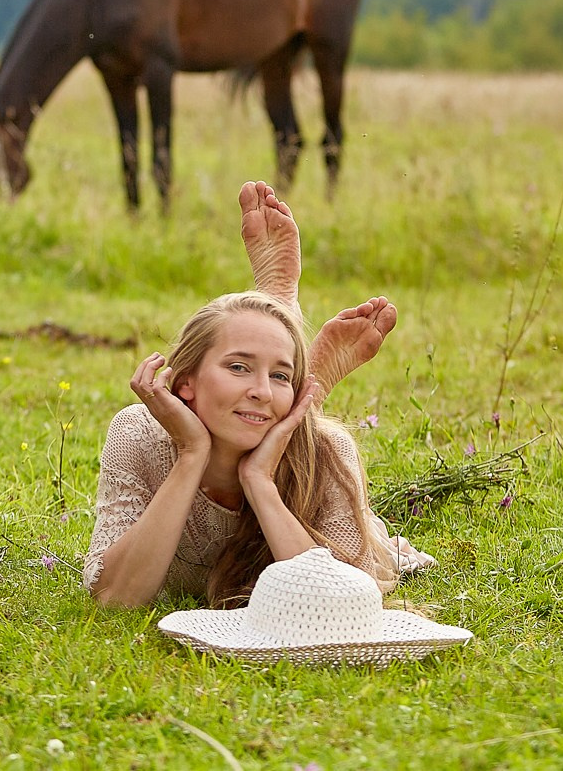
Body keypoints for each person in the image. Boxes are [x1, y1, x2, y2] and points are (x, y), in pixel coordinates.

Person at [84, 182, 410, 608]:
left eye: (280, 376)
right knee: (271, 389)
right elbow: (115, 597)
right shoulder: (138, 434)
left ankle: (305, 392)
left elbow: (344, 603)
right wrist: (191, 454)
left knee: (306, 433)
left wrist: (259, 481)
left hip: (306, 469)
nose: (260, 391)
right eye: (238, 367)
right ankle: (297, 364)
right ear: (185, 381)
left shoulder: (326, 450)